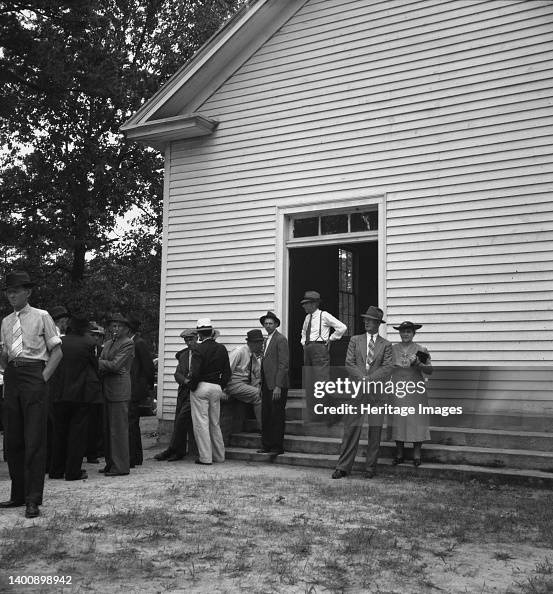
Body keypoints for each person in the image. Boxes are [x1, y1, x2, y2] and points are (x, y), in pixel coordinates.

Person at [0, 270, 62, 518]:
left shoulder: (42, 316)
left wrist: (42, 379)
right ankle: (18, 494)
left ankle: (33, 498)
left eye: (16, 290)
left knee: (34, 438)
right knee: (13, 438)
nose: (11, 294)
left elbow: (57, 352)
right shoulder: (5, 322)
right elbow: (5, 357)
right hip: (13, 377)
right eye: (8, 291)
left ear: (28, 292)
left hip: (35, 374)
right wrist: (5, 365)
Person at [332, 306, 393, 480]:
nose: (366, 322)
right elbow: (349, 363)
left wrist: (370, 379)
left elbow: (388, 367)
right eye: (365, 319)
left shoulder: (386, 345)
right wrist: (363, 379)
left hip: (377, 393)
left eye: (370, 320)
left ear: (378, 323)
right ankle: (343, 467)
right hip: (357, 390)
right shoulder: (355, 340)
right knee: (351, 428)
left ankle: (370, 467)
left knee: (375, 430)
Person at [49, 314, 101, 481]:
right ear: (84, 329)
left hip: (58, 394)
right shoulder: (88, 344)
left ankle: (56, 470)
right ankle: (73, 471)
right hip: (80, 394)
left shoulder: (59, 342)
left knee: (59, 433)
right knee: (77, 434)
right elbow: (95, 366)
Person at [390, 321, 433, 467]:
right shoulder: (392, 349)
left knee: (416, 420)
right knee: (398, 419)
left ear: (414, 333)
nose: (405, 334)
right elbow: (386, 367)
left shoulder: (421, 349)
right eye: (402, 331)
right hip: (398, 389)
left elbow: (430, 370)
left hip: (415, 389)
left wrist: (418, 364)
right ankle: (399, 454)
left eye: (408, 331)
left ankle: (416, 455)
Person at [188, 318, 231, 465]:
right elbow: (227, 373)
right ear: (212, 332)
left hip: (201, 387)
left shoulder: (198, 349)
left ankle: (205, 457)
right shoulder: (221, 348)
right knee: (215, 423)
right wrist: (221, 385)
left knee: (201, 423)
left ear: (199, 334)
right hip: (216, 387)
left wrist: (192, 387)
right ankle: (219, 455)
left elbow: (195, 373)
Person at [300, 290, 347, 422]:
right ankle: (314, 414)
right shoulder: (307, 317)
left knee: (322, 381)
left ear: (314, 304)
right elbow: (303, 332)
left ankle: (330, 413)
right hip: (308, 349)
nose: (304, 306)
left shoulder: (324, 315)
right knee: (309, 381)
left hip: (320, 349)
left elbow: (342, 327)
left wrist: (331, 338)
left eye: (306, 304)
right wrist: (304, 343)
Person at [98, 313, 134, 477]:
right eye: (113, 326)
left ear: (126, 329)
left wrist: (98, 363)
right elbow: (110, 365)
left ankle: (121, 466)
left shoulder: (128, 343)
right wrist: (107, 365)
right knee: (107, 429)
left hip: (119, 391)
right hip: (107, 388)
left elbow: (115, 365)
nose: (116, 328)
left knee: (118, 430)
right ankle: (111, 463)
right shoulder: (108, 343)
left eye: (119, 326)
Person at [155, 328, 198, 462]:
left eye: (191, 339)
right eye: (186, 340)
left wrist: (193, 381)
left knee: (181, 420)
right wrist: (185, 381)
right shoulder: (184, 355)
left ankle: (173, 449)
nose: (188, 342)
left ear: (197, 338)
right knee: (178, 419)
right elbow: (177, 373)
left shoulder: (201, 352)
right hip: (184, 390)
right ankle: (178, 450)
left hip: (196, 391)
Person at [257, 311, 289, 455]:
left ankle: (277, 447)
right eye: (266, 323)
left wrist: (278, 386)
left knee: (277, 415)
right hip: (266, 384)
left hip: (276, 384)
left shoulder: (281, 339)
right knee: (266, 415)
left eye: (271, 323)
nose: (268, 325)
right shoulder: (265, 340)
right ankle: (266, 445)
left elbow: (283, 364)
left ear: (276, 324)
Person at [127, 314, 155, 468]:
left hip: (135, 388)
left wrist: (147, 387)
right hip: (134, 387)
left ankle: (133, 456)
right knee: (132, 424)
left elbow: (148, 367)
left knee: (131, 423)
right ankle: (135, 456)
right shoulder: (133, 343)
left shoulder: (139, 343)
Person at [225, 330, 264, 431]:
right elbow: (227, 370)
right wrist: (223, 389)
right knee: (258, 395)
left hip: (245, 383)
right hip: (233, 383)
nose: (261, 346)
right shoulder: (239, 352)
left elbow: (258, 373)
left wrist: (263, 357)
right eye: (259, 343)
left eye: (261, 343)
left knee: (263, 391)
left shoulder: (253, 355)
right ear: (251, 343)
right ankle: (262, 428)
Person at [84, 322, 105, 463]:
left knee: (94, 424)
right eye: (93, 335)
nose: (96, 338)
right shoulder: (84, 348)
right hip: (84, 390)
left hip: (96, 391)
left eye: (98, 336)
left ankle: (93, 452)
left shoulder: (100, 349)